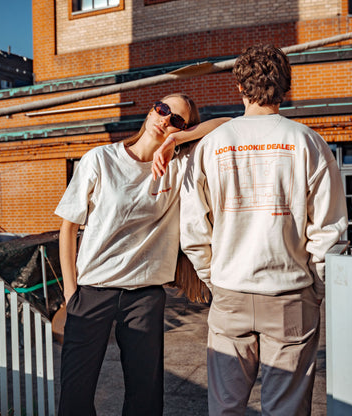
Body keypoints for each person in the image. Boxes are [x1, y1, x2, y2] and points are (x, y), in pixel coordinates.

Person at [180, 45, 348, 416]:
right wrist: (316, 288)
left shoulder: (211, 145)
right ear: (285, 86)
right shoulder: (308, 142)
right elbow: (329, 229)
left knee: (225, 407)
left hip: (230, 293)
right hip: (290, 293)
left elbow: (193, 230)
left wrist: (215, 279)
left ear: (239, 87)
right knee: (286, 410)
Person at [54, 93, 228, 416]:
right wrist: (71, 293)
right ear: (150, 112)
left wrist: (178, 139)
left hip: (144, 298)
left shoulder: (179, 167)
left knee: (145, 402)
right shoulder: (100, 159)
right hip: (92, 293)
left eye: (176, 119)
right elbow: (68, 228)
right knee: (74, 399)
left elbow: (229, 124)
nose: (165, 120)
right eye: (162, 110)